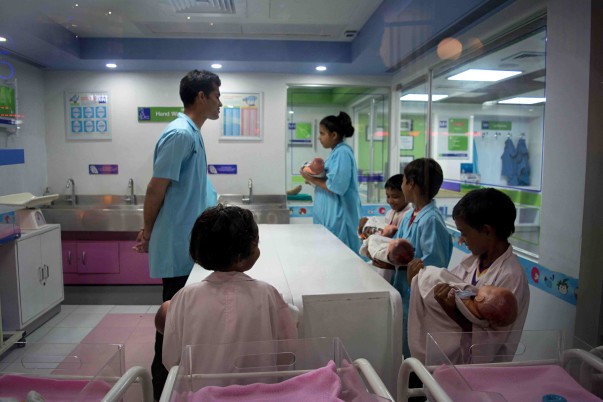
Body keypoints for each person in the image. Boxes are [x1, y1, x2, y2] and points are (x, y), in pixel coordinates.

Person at [132, 69, 222, 400]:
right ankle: (162, 389)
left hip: (189, 243)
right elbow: (156, 188)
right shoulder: (180, 134)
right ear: (201, 96)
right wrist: (148, 231)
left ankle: (179, 384)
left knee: (184, 321)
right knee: (171, 323)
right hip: (177, 245)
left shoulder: (192, 134)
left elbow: (191, 189)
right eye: (217, 95)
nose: (220, 103)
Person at [157, 204, 298, 370]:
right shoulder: (267, 294)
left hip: (199, 387)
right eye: (256, 243)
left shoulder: (185, 297)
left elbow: (171, 357)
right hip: (258, 386)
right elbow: (288, 352)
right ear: (240, 256)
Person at [409, 188, 530, 363]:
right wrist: (420, 282)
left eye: (464, 233)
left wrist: (452, 310)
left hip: (485, 369)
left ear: (487, 231)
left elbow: (488, 343)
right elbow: (454, 290)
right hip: (456, 360)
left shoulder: (511, 277)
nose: (461, 240)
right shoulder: (472, 262)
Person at [372, 158, 453, 358]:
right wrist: (387, 259)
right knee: (402, 342)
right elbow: (399, 249)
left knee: (416, 348)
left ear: (411, 184)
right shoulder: (410, 216)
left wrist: (404, 266)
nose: (401, 186)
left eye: (403, 181)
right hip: (403, 291)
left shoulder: (431, 220)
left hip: (419, 297)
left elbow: (434, 268)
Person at [407, 265, 518, 362]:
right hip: (445, 351)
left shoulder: (467, 298)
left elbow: (451, 291)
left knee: (433, 277)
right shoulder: (477, 307)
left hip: (442, 343)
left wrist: (421, 276)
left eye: (493, 288)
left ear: (479, 299)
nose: (492, 285)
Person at [299, 111, 362, 254]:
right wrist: (312, 177)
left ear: (334, 135)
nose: (319, 137)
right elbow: (328, 181)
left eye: (322, 133)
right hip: (330, 218)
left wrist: (312, 179)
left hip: (340, 219)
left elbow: (337, 186)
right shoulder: (335, 153)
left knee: (342, 256)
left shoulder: (343, 153)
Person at [358, 174, 410, 240]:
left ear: (406, 194)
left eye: (395, 197)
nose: (390, 201)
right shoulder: (390, 213)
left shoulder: (408, 216)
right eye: (388, 196)